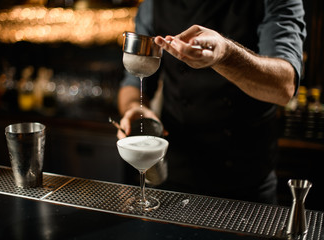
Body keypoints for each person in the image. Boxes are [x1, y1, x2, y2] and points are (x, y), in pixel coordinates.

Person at [117, 0, 306, 204]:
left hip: (246, 182)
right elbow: (134, 82)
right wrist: (134, 107)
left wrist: (225, 55)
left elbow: (284, 87)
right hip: (175, 174)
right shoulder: (153, 5)